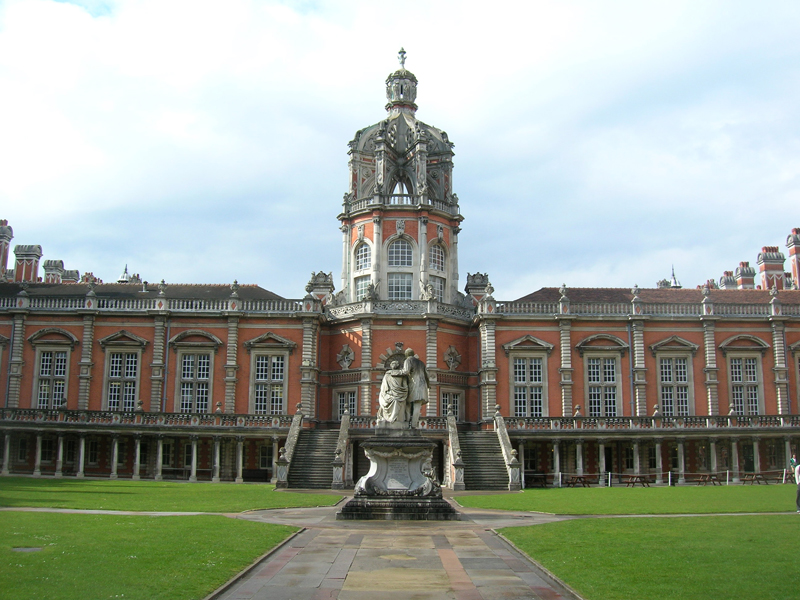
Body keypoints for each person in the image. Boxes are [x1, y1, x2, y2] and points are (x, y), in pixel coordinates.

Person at [398, 348, 430, 428]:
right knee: (417, 406)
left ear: (406, 354)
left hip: (413, 385)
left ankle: (406, 423)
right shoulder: (421, 363)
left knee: (408, 404)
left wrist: (395, 372)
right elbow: (427, 376)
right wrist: (428, 385)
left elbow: (406, 371)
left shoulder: (408, 360)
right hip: (422, 386)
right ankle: (414, 425)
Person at [376, 360, 407, 425]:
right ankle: (390, 419)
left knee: (396, 400)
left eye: (395, 363)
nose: (394, 365)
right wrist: (385, 394)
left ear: (398, 365)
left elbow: (405, 387)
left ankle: (393, 419)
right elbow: (384, 387)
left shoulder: (402, 374)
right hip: (390, 394)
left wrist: (403, 392)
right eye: (392, 363)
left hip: (400, 394)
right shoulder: (388, 374)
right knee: (392, 400)